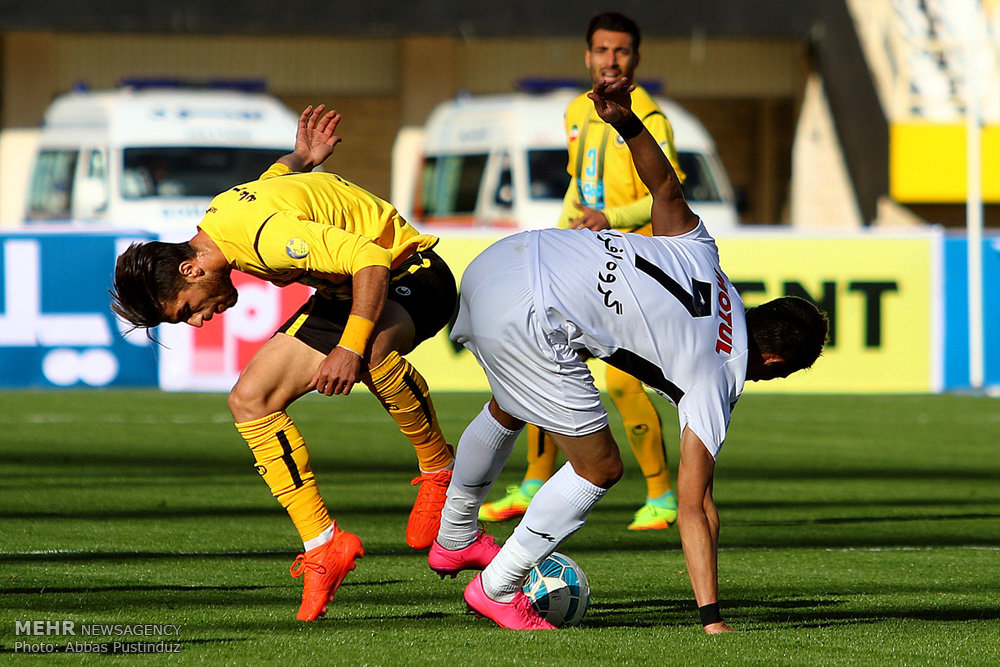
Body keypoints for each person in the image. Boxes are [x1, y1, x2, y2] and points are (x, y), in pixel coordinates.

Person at [427, 75, 828, 632]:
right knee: (600, 466)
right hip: (533, 311)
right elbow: (694, 505)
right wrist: (711, 617)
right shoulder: (721, 374)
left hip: (503, 257)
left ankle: (453, 537)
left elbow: (664, 189)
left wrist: (628, 123)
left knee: (511, 403)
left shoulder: (703, 253)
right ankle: (498, 585)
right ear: (776, 365)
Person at [111, 105, 457, 621]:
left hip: (413, 273)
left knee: (370, 351)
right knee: (249, 399)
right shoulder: (221, 216)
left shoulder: (264, 241)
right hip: (346, 291)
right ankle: (324, 544)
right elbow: (276, 180)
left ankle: (439, 470)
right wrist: (302, 156)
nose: (199, 322)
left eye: (187, 310)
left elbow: (369, 257)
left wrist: (349, 346)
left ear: (189, 267)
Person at [480, 11, 687, 531]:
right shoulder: (576, 111)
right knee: (546, 362)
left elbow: (667, 195)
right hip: (583, 258)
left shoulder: (651, 119)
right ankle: (532, 482)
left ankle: (662, 496)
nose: (610, 60)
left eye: (620, 51)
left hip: (634, 266)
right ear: (587, 55)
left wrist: (609, 219)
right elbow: (579, 185)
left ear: (635, 58)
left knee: (621, 382)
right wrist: (558, 233)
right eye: (602, 50)